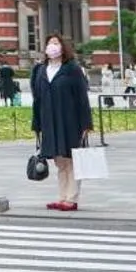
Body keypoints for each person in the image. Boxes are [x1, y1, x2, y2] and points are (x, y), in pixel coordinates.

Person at [31, 34, 94, 211]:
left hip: (70, 120)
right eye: (49, 43)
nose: (52, 46)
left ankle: (71, 198)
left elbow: (82, 98)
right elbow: (37, 99)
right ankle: (62, 196)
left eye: (56, 43)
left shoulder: (72, 69)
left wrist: (86, 124)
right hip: (49, 120)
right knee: (59, 161)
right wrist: (36, 123)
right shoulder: (40, 70)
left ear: (63, 47)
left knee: (71, 159)